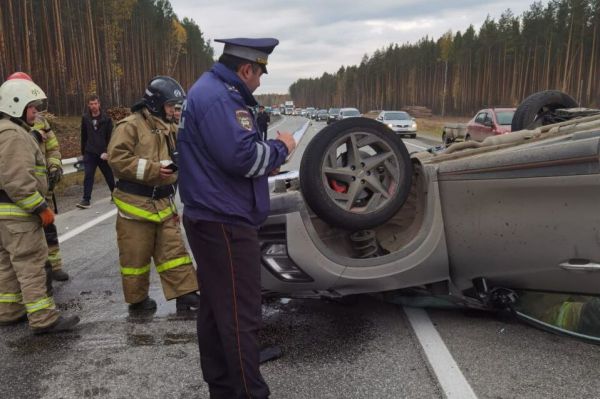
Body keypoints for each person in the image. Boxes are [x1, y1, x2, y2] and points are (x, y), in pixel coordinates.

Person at [178, 38, 296, 399]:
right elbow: (242, 158)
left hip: (212, 217)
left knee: (216, 312)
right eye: (259, 74)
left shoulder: (210, 91)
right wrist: (282, 147)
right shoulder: (220, 98)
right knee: (240, 316)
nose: (259, 82)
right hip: (225, 222)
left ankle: (224, 388)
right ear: (246, 69)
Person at [107, 76, 200, 312]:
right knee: (135, 257)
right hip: (135, 206)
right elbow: (117, 159)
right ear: (156, 103)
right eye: (170, 105)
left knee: (174, 251)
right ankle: (137, 300)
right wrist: (153, 169)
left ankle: (186, 293)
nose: (173, 110)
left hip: (163, 203)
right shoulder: (129, 126)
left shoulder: (169, 127)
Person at [0, 76, 79, 333]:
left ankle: (10, 311)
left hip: (5, 215)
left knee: (7, 265)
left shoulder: (6, 130)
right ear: (15, 105)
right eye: (32, 106)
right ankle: (43, 318)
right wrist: (40, 208)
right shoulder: (14, 135)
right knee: (31, 264)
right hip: (18, 213)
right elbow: (18, 180)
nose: (36, 111)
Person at [6, 72, 69, 282]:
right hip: (22, 189)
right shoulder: (9, 126)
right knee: (26, 237)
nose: (33, 108)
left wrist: (55, 165)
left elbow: (52, 146)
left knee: (48, 227)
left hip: (42, 186)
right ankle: (38, 273)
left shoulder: (40, 120)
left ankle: (55, 265)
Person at [77, 94, 115, 209]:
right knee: (88, 175)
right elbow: (84, 135)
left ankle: (115, 194)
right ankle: (86, 199)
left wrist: (107, 151)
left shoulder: (107, 119)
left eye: (95, 103)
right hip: (90, 152)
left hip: (103, 153)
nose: (94, 106)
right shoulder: (85, 118)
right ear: (88, 105)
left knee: (108, 174)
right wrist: (83, 152)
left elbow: (110, 137)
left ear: (99, 104)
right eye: (91, 104)